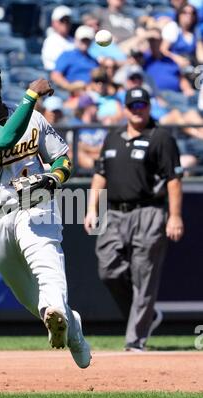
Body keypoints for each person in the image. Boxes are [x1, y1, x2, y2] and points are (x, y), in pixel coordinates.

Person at [0, 56, 91, 368]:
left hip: (35, 204)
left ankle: (57, 310)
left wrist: (52, 177)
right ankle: (72, 326)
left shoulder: (35, 119)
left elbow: (64, 159)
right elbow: (4, 138)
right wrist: (32, 96)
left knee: (47, 265)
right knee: (30, 299)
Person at [84, 87, 184, 351]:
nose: (137, 110)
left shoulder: (160, 137)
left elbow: (174, 179)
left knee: (144, 276)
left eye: (142, 105)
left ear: (149, 107)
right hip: (115, 211)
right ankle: (146, 316)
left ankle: (135, 341)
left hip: (149, 211)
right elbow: (100, 174)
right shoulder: (113, 137)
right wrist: (92, 208)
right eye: (133, 106)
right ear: (125, 109)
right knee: (108, 269)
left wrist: (174, 216)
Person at [41, 5, 74, 72]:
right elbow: (63, 62)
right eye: (62, 21)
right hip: (54, 79)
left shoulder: (73, 40)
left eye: (67, 21)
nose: (65, 24)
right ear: (53, 23)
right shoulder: (50, 41)